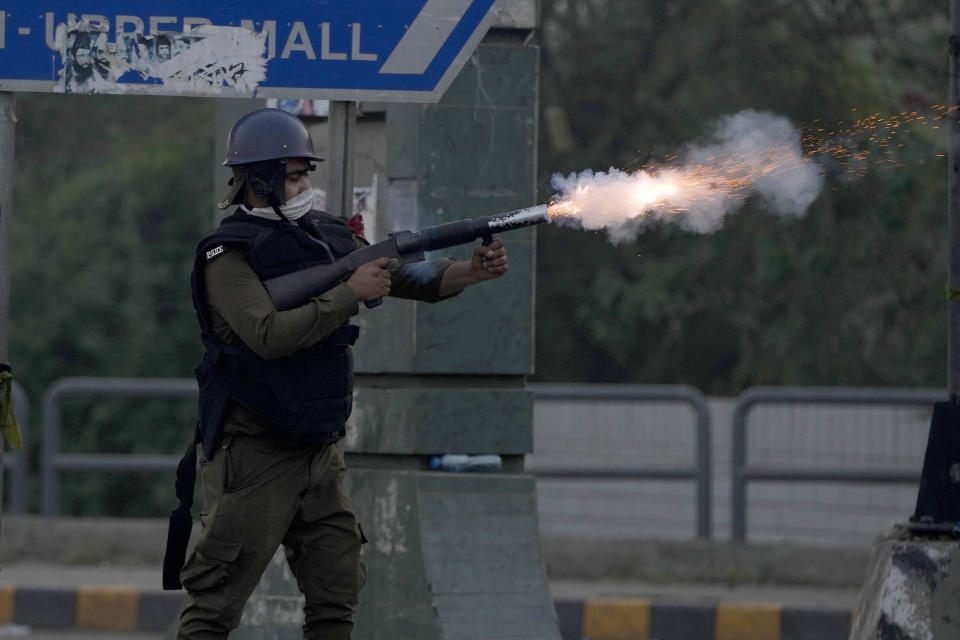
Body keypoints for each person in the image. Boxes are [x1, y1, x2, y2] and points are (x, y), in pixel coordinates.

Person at [172, 107, 509, 639]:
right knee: (215, 608)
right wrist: (348, 296)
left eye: (306, 173)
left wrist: (469, 270)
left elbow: (410, 277)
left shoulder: (327, 235)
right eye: (294, 176)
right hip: (254, 452)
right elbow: (266, 336)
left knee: (335, 602)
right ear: (260, 180)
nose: (306, 185)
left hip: (320, 452)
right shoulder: (226, 254)